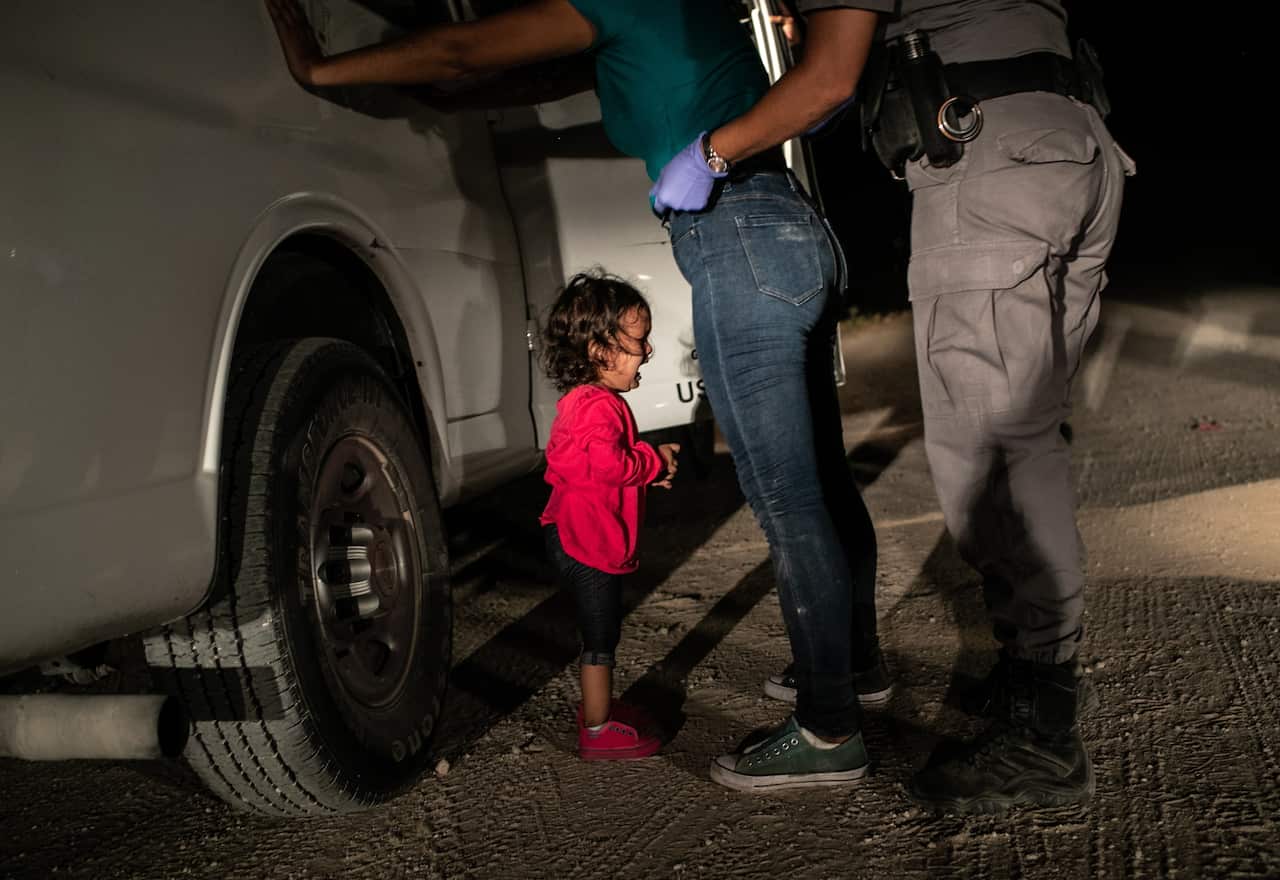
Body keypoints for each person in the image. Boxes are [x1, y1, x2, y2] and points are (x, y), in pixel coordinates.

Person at [264, 0, 885, 793]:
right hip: (788, 226)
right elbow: (514, 78)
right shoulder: (668, 17)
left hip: (736, 235)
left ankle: (829, 725)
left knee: (788, 501)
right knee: (822, 484)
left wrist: (320, 69)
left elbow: (462, 49)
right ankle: (853, 667)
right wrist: (429, 94)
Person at [653, 1, 1133, 812]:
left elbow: (828, 78)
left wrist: (710, 152)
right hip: (1073, 142)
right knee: (1028, 438)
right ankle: (1032, 678)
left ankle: (1042, 734)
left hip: (991, 159)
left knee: (990, 458)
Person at [538, 271, 678, 760]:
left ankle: (599, 709)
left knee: (598, 631)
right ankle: (597, 730)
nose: (648, 351)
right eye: (639, 341)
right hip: (588, 543)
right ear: (601, 352)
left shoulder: (584, 402)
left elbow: (593, 468)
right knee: (600, 637)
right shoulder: (598, 407)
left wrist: (646, 471)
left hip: (571, 533)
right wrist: (653, 461)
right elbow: (609, 465)